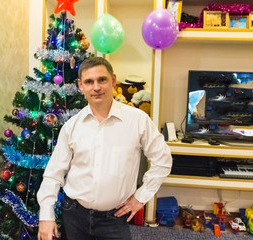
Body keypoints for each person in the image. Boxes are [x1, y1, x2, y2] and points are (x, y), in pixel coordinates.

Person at [37, 57, 172, 240]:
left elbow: (162, 160)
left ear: (113, 81)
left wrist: (141, 197)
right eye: (89, 82)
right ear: (81, 86)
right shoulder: (72, 126)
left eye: (102, 80)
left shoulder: (138, 121)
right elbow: (54, 173)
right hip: (74, 214)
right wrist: (46, 215)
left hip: (114, 218)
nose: (96, 87)